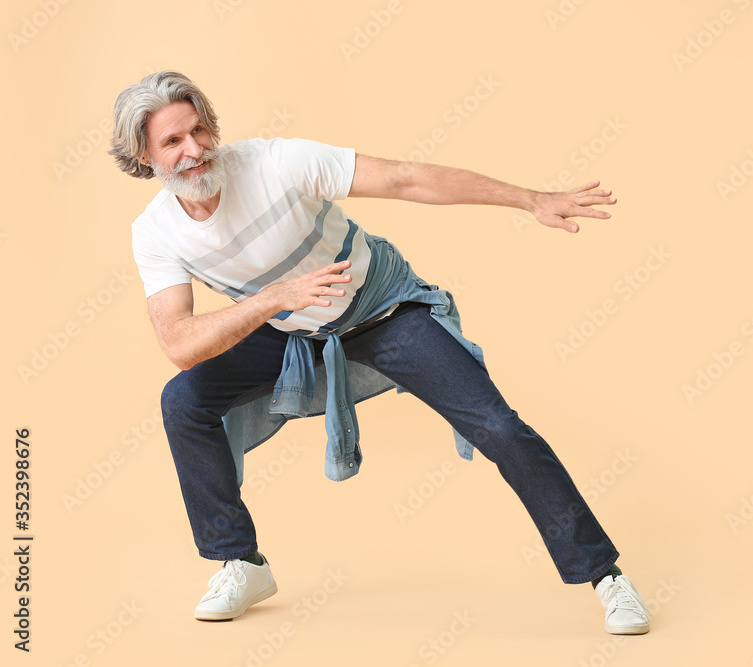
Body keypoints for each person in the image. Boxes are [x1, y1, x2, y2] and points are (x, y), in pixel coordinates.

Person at [110, 70, 650, 635]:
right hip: (295, 328)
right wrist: (277, 299)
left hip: (382, 312)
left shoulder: (276, 164)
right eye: (172, 141)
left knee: (499, 426)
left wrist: (529, 198)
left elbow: (408, 180)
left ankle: (605, 576)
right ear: (143, 156)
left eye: (198, 131)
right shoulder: (155, 233)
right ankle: (241, 562)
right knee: (184, 400)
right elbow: (178, 342)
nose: (194, 150)